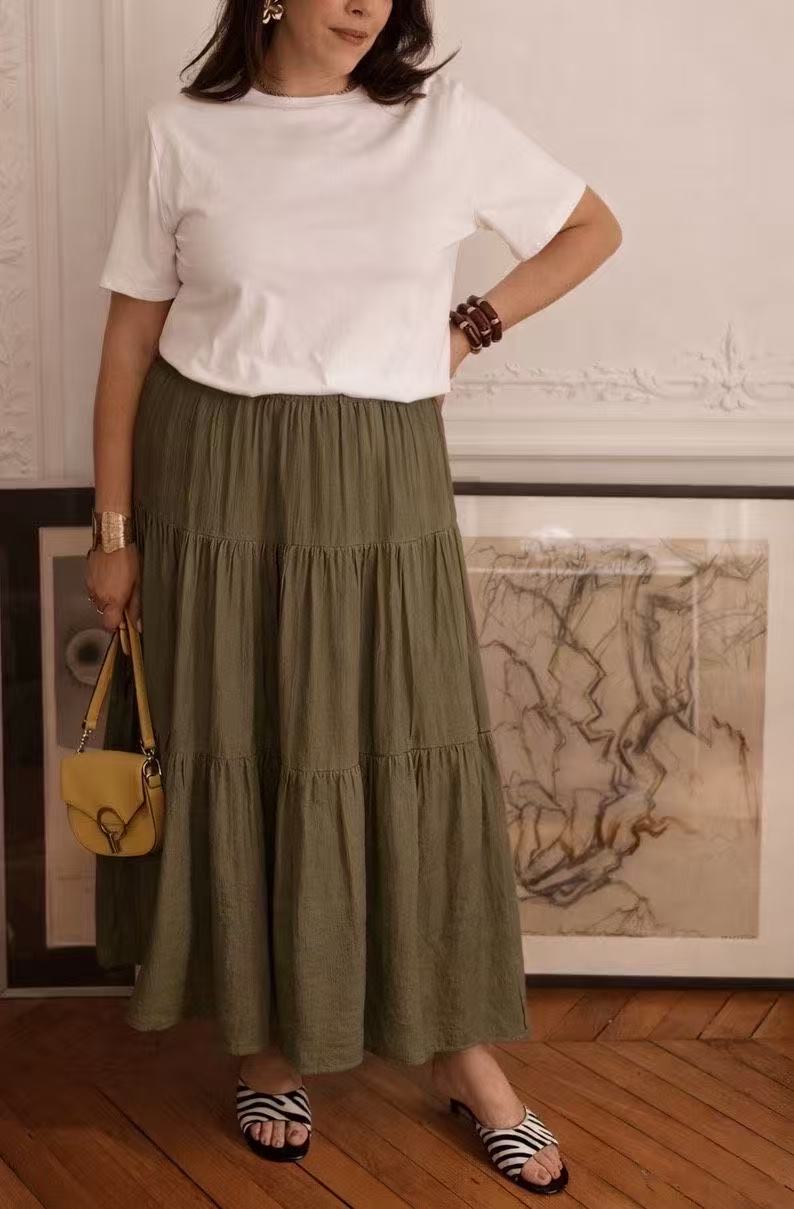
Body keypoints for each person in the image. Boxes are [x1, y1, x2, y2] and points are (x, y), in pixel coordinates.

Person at [86, 0, 620, 1195]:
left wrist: (468, 328)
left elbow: (590, 228)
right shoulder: (184, 132)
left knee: (406, 743)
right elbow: (126, 342)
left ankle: (460, 1052)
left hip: (379, 475)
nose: (363, 1)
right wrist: (113, 533)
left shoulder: (440, 123)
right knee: (246, 740)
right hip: (213, 476)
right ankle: (264, 1043)